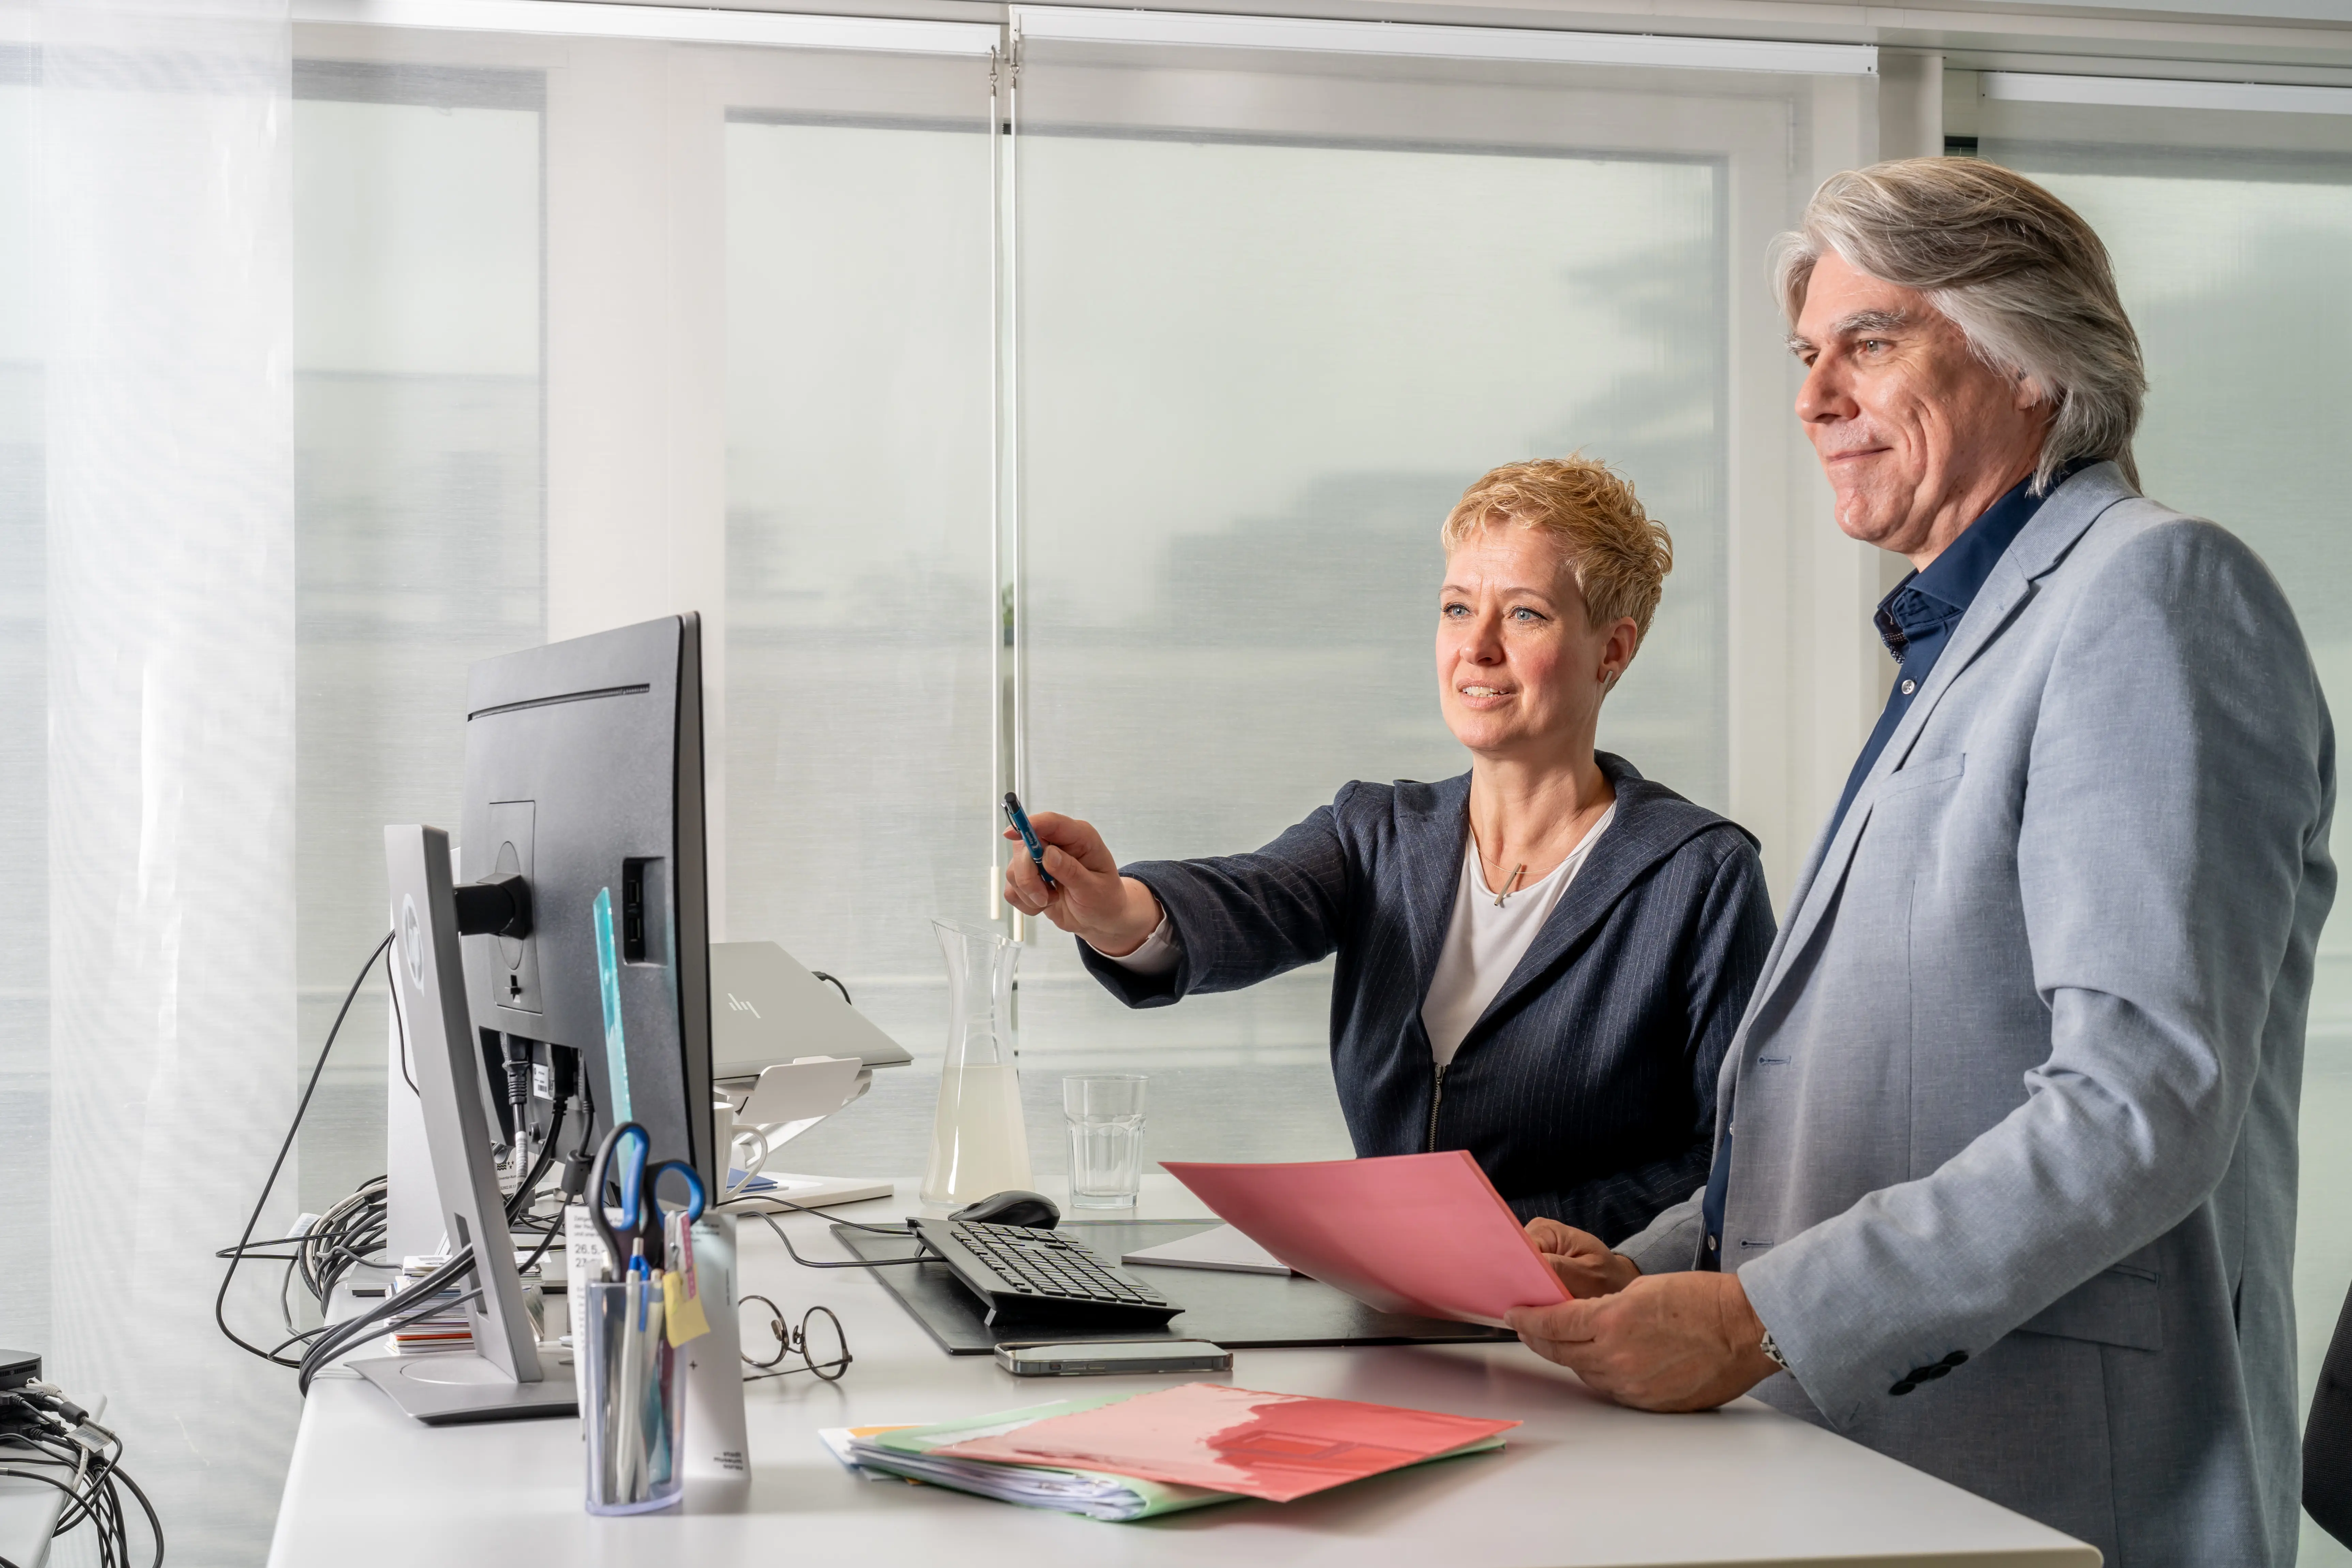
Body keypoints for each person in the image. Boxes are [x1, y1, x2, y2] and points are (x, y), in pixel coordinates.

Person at [1504, 159, 2335, 1568]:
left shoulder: (2152, 592)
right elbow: (1901, 1093)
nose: (1811, 397)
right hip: (1878, 1476)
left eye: (1869, 342)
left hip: (2058, 1488)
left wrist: (1760, 1318)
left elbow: (2141, 1105)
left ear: (2028, 362)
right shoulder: (1958, 638)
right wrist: (1655, 1266)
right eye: (1804, 354)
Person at [1001, 457, 1776, 1241]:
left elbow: (1738, 1154)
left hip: (1586, 1323)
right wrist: (1111, 908)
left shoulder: (1699, 875)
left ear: (1611, 650)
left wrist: (1535, 1236)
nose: (1475, 647)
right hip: (1388, 1310)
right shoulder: (1377, 831)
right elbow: (1248, 899)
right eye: (1455, 608)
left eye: (1525, 615)